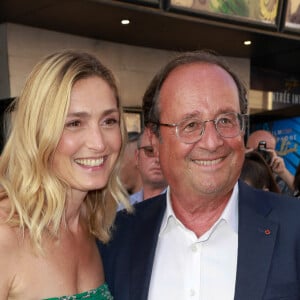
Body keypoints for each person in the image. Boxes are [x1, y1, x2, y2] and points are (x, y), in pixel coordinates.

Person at [99, 50, 300, 300]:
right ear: (154, 138)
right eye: (190, 125)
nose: (213, 142)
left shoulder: (294, 228)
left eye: (226, 120)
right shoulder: (117, 238)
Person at [0, 50, 131, 299]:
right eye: (74, 123)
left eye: (109, 121)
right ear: (38, 132)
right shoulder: (5, 234)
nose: (99, 143)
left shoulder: (94, 225)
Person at [246, 129, 294, 195]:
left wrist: (283, 172)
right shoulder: (238, 175)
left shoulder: (279, 179)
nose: (260, 156)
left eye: (264, 151)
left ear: (274, 152)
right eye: (256, 151)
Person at [130, 128, 167, 205]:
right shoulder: (123, 208)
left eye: (164, 153)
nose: (158, 159)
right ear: (137, 157)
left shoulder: (186, 208)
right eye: (150, 151)